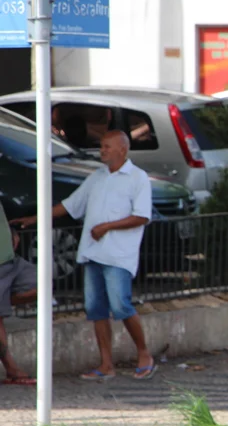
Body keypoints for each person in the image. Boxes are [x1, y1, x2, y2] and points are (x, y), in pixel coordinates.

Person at [12, 130, 156, 381]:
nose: (102, 151)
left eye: (107, 147)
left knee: (121, 305)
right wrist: (35, 219)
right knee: (95, 309)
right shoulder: (97, 177)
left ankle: (144, 354)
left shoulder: (138, 178)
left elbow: (142, 216)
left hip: (119, 255)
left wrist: (107, 227)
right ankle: (105, 365)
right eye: (101, 146)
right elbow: (70, 205)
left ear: (123, 149)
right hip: (92, 253)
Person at [0, 210, 37, 386]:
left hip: (9, 259)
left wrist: (10, 231)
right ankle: (12, 368)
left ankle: (3, 300)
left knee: (42, 285)